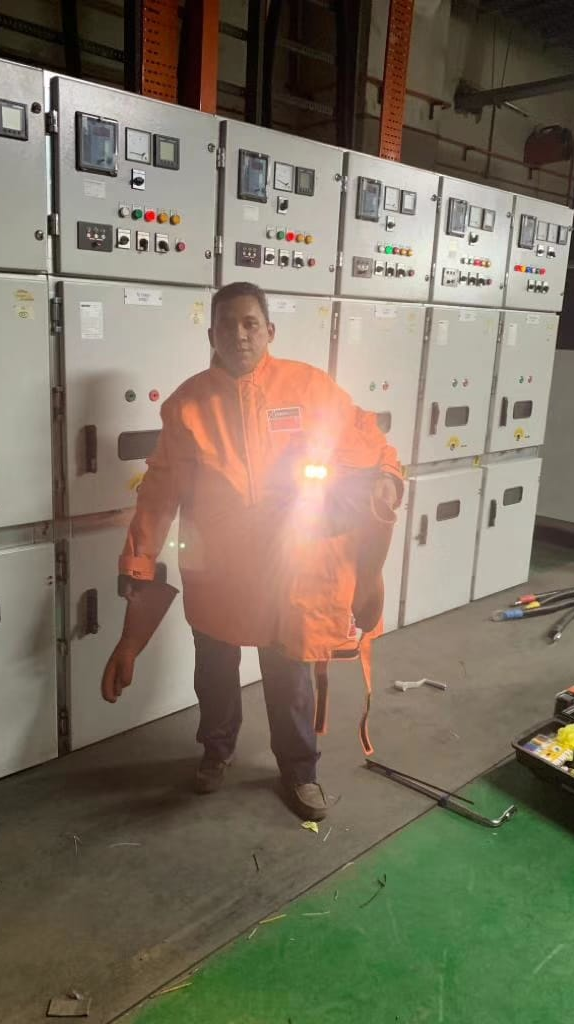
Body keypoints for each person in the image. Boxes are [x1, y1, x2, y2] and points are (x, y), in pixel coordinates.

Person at [101, 282, 403, 821]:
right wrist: (139, 565)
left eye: (250, 323)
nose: (239, 334)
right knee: (214, 670)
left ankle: (299, 771)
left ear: (269, 331)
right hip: (216, 571)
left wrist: (385, 480)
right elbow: (158, 493)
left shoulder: (310, 388)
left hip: (290, 571)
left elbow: (370, 441)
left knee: (289, 676)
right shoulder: (187, 405)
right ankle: (216, 752)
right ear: (211, 333)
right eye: (227, 324)